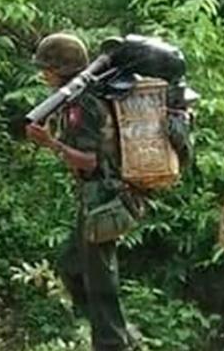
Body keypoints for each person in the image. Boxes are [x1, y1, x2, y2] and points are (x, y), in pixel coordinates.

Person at [25, 33, 142, 351]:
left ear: (61, 69)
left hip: (103, 196)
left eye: (47, 68)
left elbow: (89, 161)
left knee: (100, 282)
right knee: (72, 266)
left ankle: (113, 343)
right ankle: (121, 336)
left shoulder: (83, 103)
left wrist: (51, 143)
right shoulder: (78, 97)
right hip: (95, 196)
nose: (43, 75)